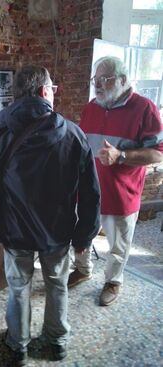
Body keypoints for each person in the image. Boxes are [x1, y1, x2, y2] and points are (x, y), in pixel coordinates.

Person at [0, 65, 100, 366]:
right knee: (57, 284)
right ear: (44, 92)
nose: (54, 92)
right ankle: (56, 343)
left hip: (14, 232)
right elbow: (91, 193)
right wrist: (85, 234)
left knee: (18, 288)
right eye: (53, 88)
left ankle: (18, 346)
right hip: (57, 232)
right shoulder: (74, 135)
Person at [68, 56, 163, 307]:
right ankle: (83, 268)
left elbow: (158, 152)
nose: (97, 85)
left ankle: (113, 281)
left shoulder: (145, 108)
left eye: (104, 79)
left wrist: (121, 156)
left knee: (117, 245)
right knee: (82, 233)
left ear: (121, 80)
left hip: (122, 194)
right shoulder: (91, 107)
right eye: (95, 80)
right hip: (87, 191)